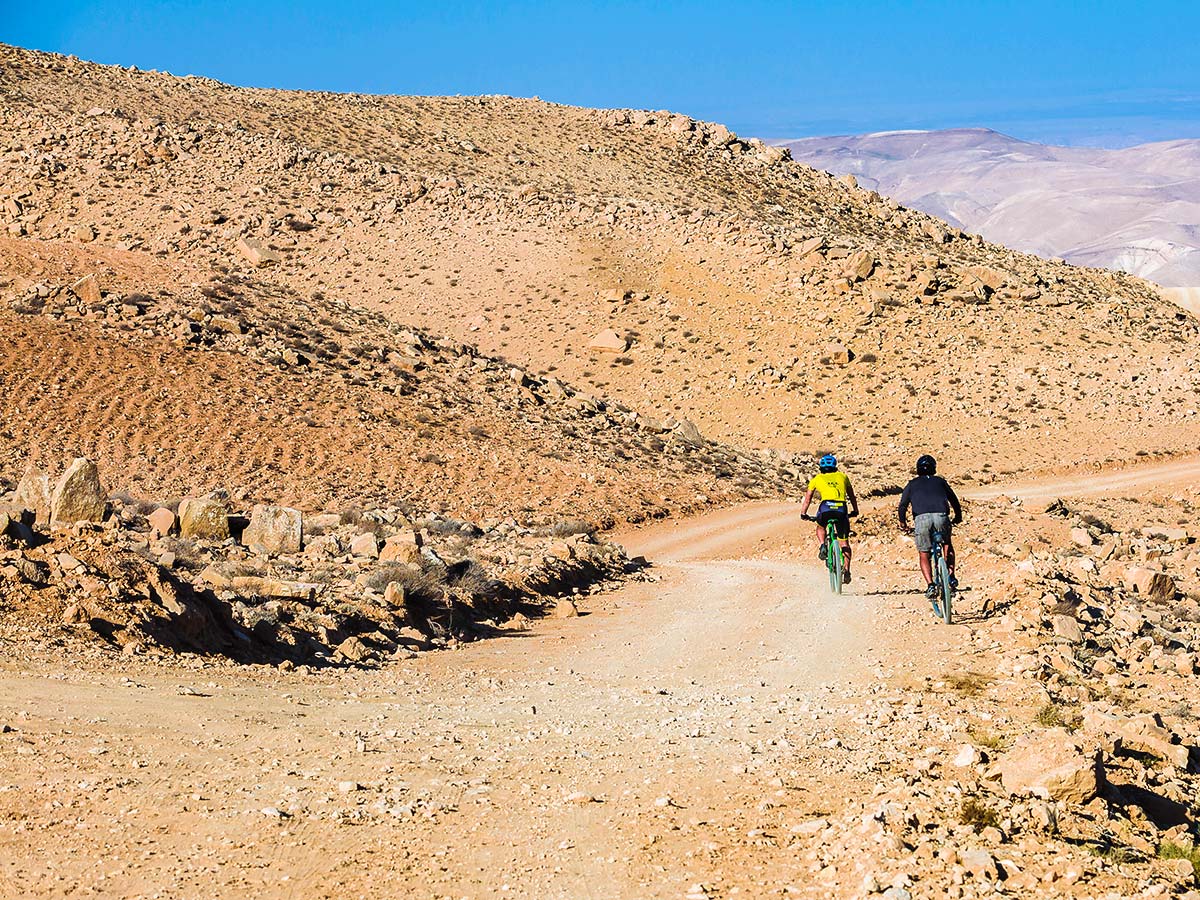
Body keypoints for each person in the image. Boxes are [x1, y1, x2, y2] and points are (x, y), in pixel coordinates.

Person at [898, 454, 962, 599]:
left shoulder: (912, 484)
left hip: (922, 519)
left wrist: (903, 523)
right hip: (941, 516)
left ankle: (930, 585)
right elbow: (954, 500)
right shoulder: (940, 481)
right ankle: (951, 576)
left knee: (924, 553)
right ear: (934, 468)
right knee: (947, 544)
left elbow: (902, 506)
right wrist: (958, 516)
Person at [800, 454, 859, 582]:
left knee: (821, 527)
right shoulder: (843, 477)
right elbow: (852, 496)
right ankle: (847, 570)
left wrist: (803, 513)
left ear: (821, 467)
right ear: (835, 466)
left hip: (825, 507)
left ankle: (822, 545)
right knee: (844, 542)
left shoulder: (817, 478)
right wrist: (855, 510)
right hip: (841, 508)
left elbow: (808, 498)